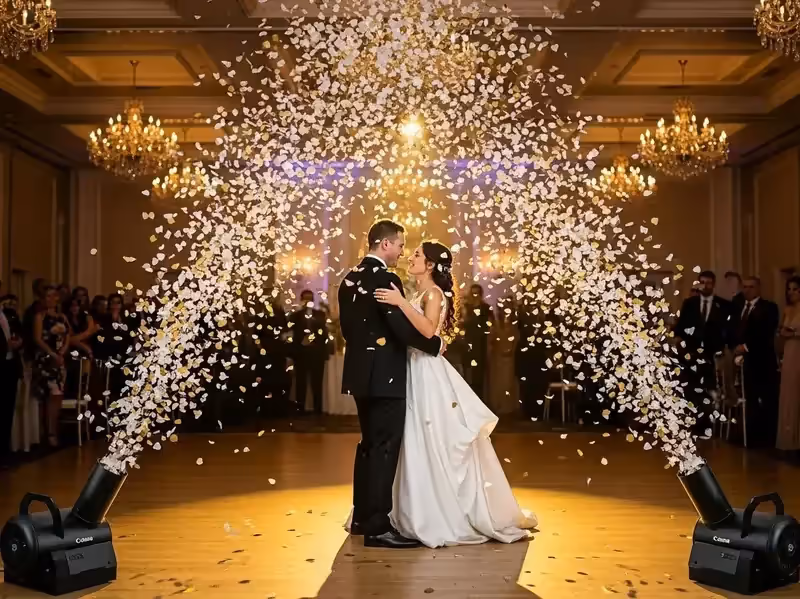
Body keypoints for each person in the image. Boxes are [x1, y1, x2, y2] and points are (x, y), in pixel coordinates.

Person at [373, 240, 536, 548]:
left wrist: (400, 303)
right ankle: (409, 508)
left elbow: (428, 330)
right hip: (413, 368)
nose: (411, 257)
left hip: (426, 372)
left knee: (431, 435)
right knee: (413, 436)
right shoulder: (420, 293)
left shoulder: (432, 294)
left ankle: (439, 512)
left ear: (431, 265)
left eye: (418, 255)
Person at [338, 220, 443, 549]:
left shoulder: (349, 278)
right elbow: (398, 327)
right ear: (385, 245)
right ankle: (378, 526)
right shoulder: (385, 279)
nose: (401, 251)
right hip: (386, 375)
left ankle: (360, 517)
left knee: (367, 445)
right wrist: (433, 345)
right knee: (384, 449)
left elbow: (347, 330)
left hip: (359, 374)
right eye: (399, 244)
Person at [674, 271, 730, 434]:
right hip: (691, 353)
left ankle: (708, 424)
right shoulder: (690, 303)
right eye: (702, 282)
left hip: (712, 354)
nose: (705, 286)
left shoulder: (723, 305)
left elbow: (726, 330)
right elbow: (681, 328)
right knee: (691, 389)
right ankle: (695, 423)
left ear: (714, 284)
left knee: (709, 388)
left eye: (709, 283)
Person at [728, 276, 780, 448]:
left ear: (758, 288)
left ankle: (766, 437)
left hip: (762, 360)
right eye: (745, 287)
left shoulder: (769, 308)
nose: (747, 290)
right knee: (748, 398)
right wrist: (735, 346)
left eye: (751, 287)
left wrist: (746, 347)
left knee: (765, 399)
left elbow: (765, 332)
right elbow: (732, 329)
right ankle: (749, 435)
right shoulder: (738, 308)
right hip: (742, 361)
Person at [33, 285, 70, 447]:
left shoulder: (62, 317)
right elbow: (38, 338)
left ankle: (53, 431)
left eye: (52, 296)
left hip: (59, 359)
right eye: (47, 296)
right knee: (46, 396)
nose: (50, 299)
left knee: (57, 396)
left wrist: (62, 351)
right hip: (45, 359)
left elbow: (68, 335)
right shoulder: (40, 316)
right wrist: (53, 354)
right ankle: (46, 433)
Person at [288, 289, 331, 414]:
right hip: (301, 353)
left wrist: (313, 339)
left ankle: (318, 410)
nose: (308, 301)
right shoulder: (295, 316)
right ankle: (300, 408)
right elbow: (291, 332)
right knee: (300, 383)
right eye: (305, 298)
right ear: (301, 300)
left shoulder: (320, 315)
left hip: (316, 354)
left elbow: (323, 334)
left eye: (310, 298)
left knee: (317, 383)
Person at [0, 283, 23, 468]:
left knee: (7, 409)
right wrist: (6, 347)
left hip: (10, 366)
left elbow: (17, 332)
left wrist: (17, 342)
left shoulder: (7, 313)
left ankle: (4, 452)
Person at [777, 276, 800, 453]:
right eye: (789, 289)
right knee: (788, 393)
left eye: (795, 289)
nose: (791, 292)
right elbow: (782, 331)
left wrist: (794, 333)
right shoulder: (787, 309)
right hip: (789, 352)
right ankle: (789, 438)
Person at [463, 283, 492, 400]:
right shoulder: (467, 308)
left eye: (477, 293)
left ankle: (479, 399)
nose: (474, 296)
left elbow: (490, 326)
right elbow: (462, 323)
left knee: (478, 375)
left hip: (480, 344)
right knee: (467, 372)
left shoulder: (485, 308)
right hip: (467, 343)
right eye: (472, 293)